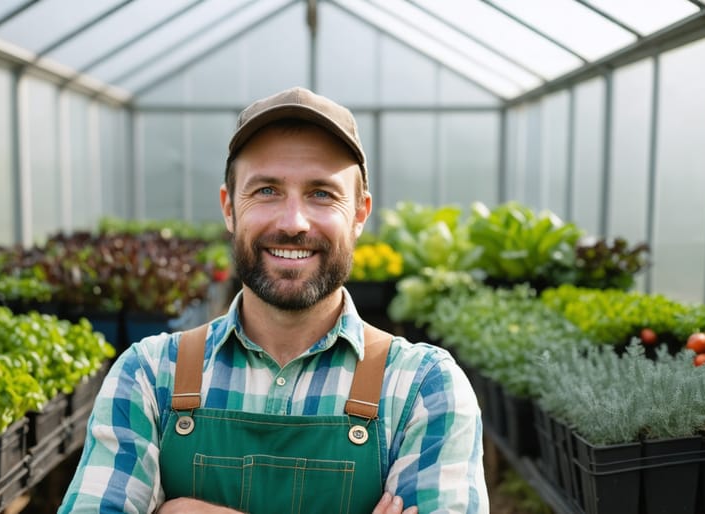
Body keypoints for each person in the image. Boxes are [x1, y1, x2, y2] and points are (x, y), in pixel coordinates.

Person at [59, 87, 488, 514]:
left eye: (322, 193)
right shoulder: (150, 377)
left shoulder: (424, 389)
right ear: (229, 208)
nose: (293, 222)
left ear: (359, 214)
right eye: (266, 190)